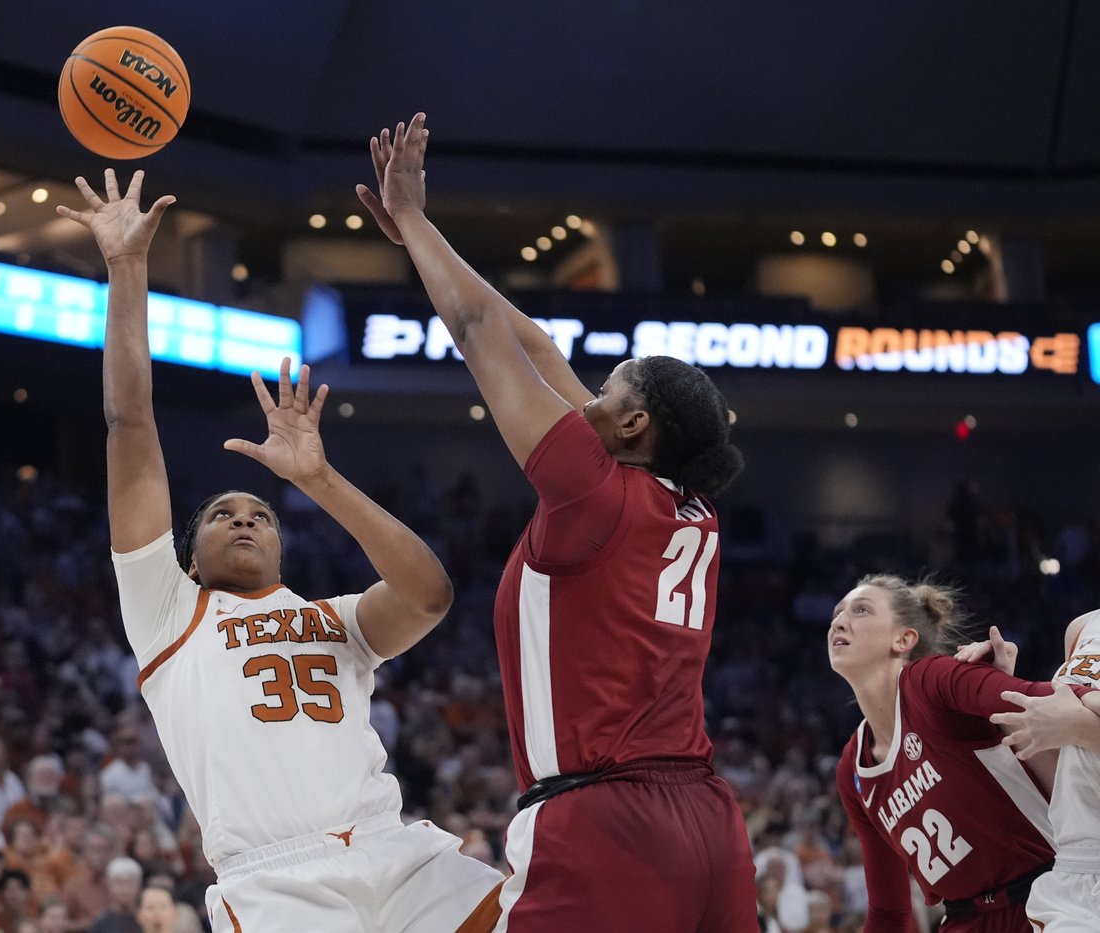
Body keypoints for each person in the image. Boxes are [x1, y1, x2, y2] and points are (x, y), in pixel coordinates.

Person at [57, 168, 502, 932]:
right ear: (186, 558)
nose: (244, 520)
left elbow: (429, 594)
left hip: (397, 852)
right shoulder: (168, 611)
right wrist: (127, 268)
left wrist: (320, 480)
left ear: (280, 546)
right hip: (277, 880)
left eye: (260, 514)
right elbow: (129, 422)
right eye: (222, 515)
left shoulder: (336, 619)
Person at [358, 114, 757, 930]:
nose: (587, 399)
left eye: (605, 391)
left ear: (633, 424)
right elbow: (536, 347)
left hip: (607, 824)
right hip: (708, 821)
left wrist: (417, 221)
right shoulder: (690, 506)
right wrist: (422, 242)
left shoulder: (592, 493)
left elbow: (483, 335)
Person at [826, 575, 1100, 931]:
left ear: (904, 639)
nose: (839, 621)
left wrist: (1082, 703)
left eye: (860, 610)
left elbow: (1047, 699)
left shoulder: (932, 681)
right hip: (962, 920)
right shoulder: (852, 767)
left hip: (1045, 897)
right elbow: (889, 912)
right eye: (837, 612)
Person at [958, 612, 1100, 931]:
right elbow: (1067, 768)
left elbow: (1077, 729)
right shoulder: (1082, 628)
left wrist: (1082, 727)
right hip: (1076, 868)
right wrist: (1003, 697)